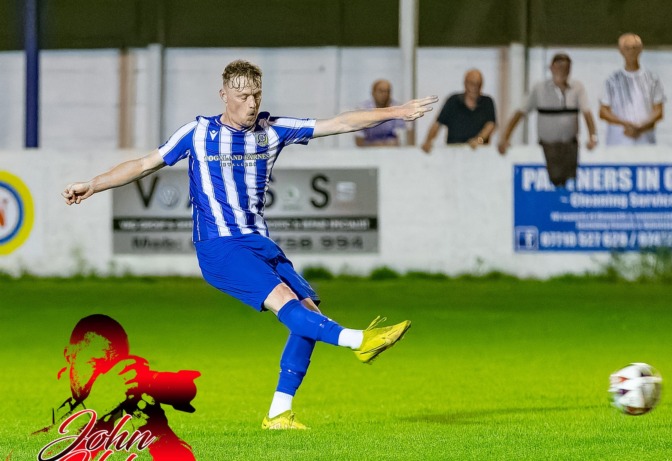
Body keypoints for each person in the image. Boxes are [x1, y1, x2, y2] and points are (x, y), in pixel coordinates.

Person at [62, 59, 437, 430]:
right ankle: (360, 340)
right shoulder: (197, 132)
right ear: (224, 95)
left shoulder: (273, 130)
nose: (252, 103)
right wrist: (93, 184)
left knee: (309, 313)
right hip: (219, 246)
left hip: (260, 243)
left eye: (257, 94)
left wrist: (397, 112)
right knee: (289, 306)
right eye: (243, 95)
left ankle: (278, 413)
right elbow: (144, 164)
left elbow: (340, 122)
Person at [36, 314, 200, 460]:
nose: (110, 377)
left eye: (116, 367)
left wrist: (159, 434)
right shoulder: (40, 394)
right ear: (69, 355)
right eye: (97, 364)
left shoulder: (126, 403)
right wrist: (97, 406)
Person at [497, 53, 598, 187]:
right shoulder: (539, 88)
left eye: (565, 67)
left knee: (570, 181)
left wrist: (593, 137)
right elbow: (520, 113)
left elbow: (587, 113)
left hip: (570, 145)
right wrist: (505, 138)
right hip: (546, 146)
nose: (562, 71)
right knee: (553, 179)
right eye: (558, 67)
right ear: (551, 68)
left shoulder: (577, 88)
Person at [599, 33, 666, 145]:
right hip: (617, 142)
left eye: (634, 48)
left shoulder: (652, 79)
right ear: (620, 51)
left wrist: (641, 127)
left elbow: (659, 111)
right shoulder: (611, 80)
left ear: (640, 49)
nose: (631, 52)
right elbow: (603, 112)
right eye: (627, 48)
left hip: (645, 141)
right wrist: (625, 124)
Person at [421, 69, 496, 153]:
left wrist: (479, 140)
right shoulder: (453, 101)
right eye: (472, 83)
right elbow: (438, 124)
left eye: (478, 84)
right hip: (453, 152)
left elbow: (490, 125)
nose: (475, 87)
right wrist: (428, 141)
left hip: (479, 152)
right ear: (465, 83)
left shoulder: (487, 102)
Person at [355, 79, 414, 147]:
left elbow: (402, 138)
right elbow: (358, 139)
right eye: (381, 91)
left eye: (387, 91)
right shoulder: (363, 109)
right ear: (373, 93)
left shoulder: (398, 109)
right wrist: (375, 145)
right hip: (368, 150)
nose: (385, 94)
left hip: (392, 150)